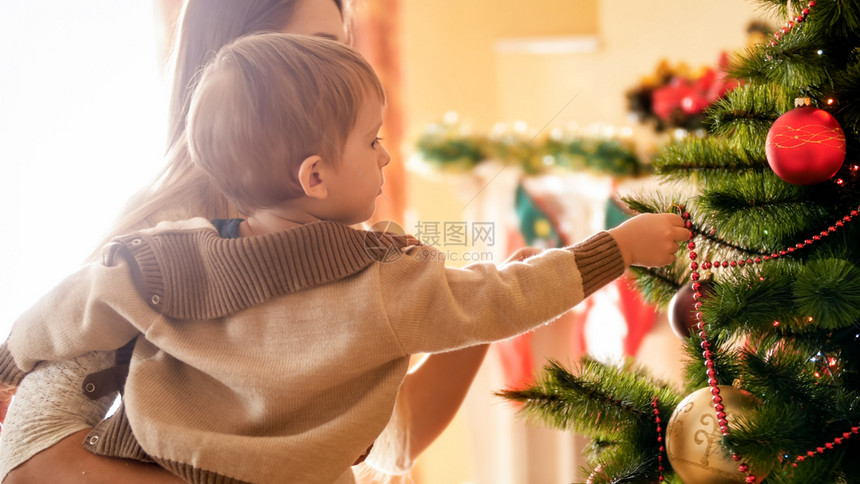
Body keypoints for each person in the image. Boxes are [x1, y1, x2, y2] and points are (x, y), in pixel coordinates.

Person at [0, 33, 689, 483]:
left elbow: (63, 311)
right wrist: (615, 250)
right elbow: (501, 299)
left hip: (164, 460)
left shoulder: (163, 258)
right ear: (315, 177)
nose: (387, 154)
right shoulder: (381, 281)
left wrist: (7, 365)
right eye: (373, 140)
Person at [0, 1, 490, 482]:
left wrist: (490, 302)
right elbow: (30, 457)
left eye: (344, 51)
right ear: (234, 60)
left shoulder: (326, 236)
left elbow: (387, 443)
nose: (341, 74)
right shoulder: (159, 245)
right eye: (313, 50)